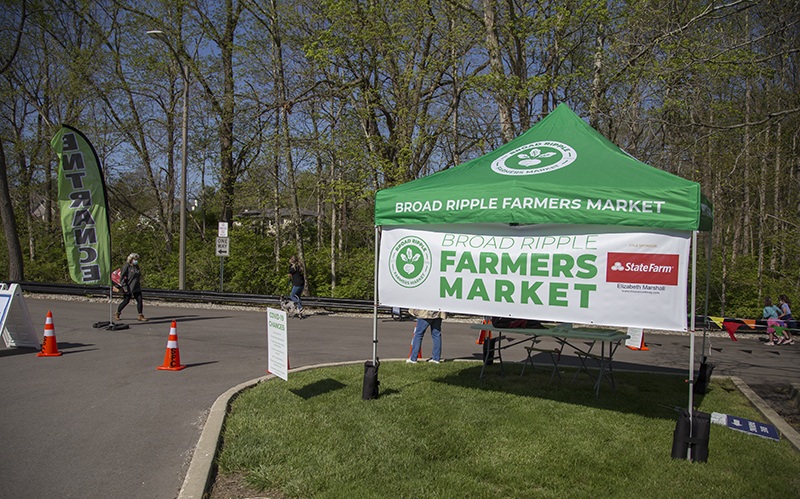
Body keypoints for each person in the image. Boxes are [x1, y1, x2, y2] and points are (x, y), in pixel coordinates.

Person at [115, 253, 147, 322]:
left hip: (137, 286)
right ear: (131, 259)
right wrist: (125, 287)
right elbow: (122, 277)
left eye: (137, 259)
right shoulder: (127, 266)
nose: (136, 261)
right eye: (135, 259)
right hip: (128, 286)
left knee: (139, 300)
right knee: (126, 301)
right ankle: (117, 313)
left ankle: (140, 315)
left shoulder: (136, 267)